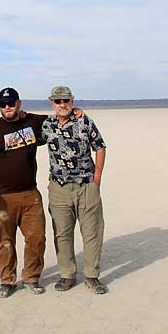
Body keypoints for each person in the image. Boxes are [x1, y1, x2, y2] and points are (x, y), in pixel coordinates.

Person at [0, 87, 84, 298]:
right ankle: (7, 280)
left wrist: (76, 111)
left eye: (11, 103)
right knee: (4, 240)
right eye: (3, 104)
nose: (7, 107)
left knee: (36, 238)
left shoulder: (33, 122)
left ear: (19, 103)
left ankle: (31, 277)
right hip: (1, 196)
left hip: (30, 194)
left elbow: (59, 116)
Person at [42, 86, 108, 294]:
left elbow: (100, 146)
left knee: (92, 232)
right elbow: (24, 120)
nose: (63, 105)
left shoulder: (85, 121)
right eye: (58, 101)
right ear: (52, 103)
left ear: (72, 101)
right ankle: (67, 275)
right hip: (59, 187)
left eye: (66, 101)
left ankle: (92, 276)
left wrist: (97, 177)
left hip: (86, 185)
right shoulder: (47, 124)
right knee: (62, 233)